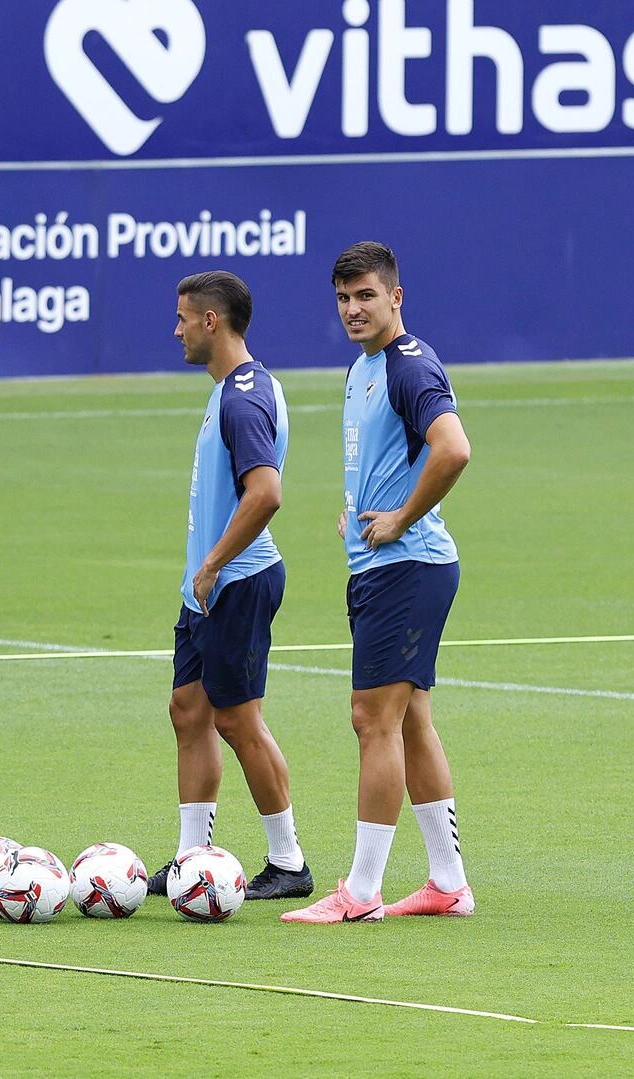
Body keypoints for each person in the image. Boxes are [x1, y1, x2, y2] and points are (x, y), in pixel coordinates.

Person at [282, 242, 475, 924]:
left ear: (397, 296)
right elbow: (397, 456)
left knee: (372, 720)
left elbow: (453, 448)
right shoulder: (364, 369)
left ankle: (361, 893)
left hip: (408, 567)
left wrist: (400, 516)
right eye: (343, 298)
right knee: (408, 719)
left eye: (366, 295)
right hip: (386, 568)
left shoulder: (409, 365)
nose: (353, 309)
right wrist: (364, 505)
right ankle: (447, 882)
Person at [145, 271, 313, 903]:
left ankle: (289, 859)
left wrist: (213, 562)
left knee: (239, 721)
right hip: (207, 588)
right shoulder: (235, 388)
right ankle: (193, 857)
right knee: (189, 712)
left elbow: (265, 493)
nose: (177, 329)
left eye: (184, 317)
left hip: (235, 582)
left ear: (212, 321)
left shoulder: (243, 398)